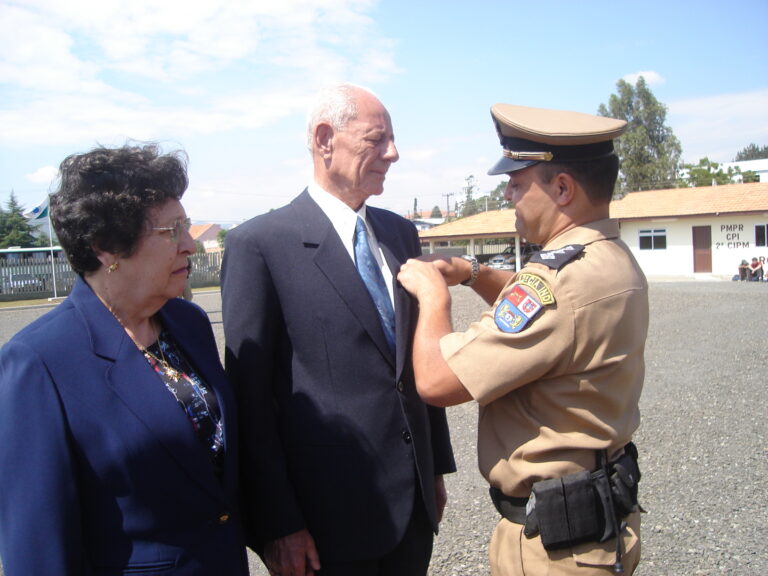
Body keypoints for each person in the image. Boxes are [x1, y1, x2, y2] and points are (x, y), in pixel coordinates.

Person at [397, 103, 648, 575]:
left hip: (556, 548)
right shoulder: (608, 257)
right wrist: (475, 272)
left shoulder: (560, 283)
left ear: (562, 188)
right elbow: (538, 311)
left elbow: (435, 380)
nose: (509, 194)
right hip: (599, 524)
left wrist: (434, 298)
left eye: (517, 182)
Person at [222, 83, 455, 576]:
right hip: (325, 521)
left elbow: (412, 356)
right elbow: (251, 401)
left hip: (410, 509)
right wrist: (277, 522)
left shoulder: (399, 233)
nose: (394, 153)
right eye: (377, 139)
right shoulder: (260, 245)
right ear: (325, 139)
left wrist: (434, 467)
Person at [0, 144, 249, 575]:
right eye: (171, 231)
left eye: (186, 227)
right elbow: (37, 545)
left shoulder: (187, 322)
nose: (190, 245)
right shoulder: (38, 362)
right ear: (106, 248)